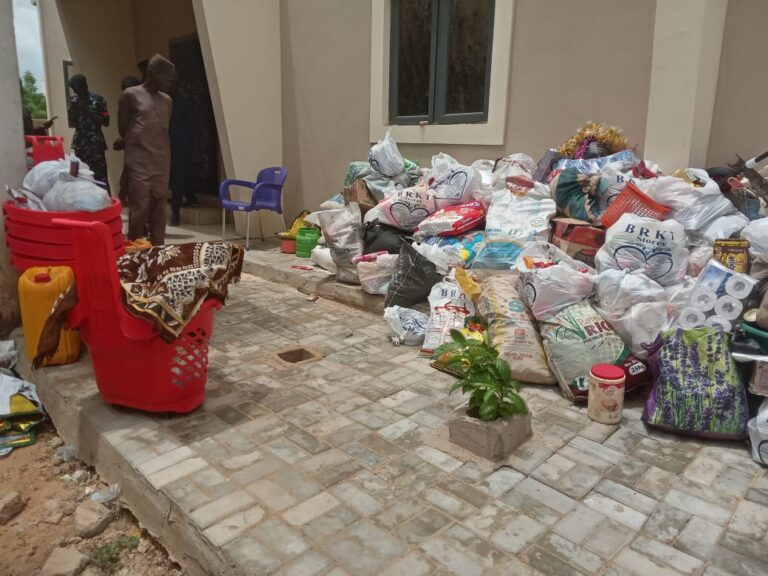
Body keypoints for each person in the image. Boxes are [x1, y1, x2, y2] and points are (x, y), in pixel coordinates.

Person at [116, 54, 175, 246]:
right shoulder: (130, 95)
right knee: (140, 210)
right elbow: (123, 128)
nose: (168, 84)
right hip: (139, 162)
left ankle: (158, 257)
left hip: (161, 163)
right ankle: (135, 255)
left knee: (159, 213)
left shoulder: (167, 100)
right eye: (165, 79)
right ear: (152, 73)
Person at [67, 74, 110, 188]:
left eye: (77, 88)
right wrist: (76, 110)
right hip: (80, 144)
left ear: (84, 85)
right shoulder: (73, 101)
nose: (75, 91)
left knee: (100, 176)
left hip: (95, 144)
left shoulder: (98, 99)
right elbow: (72, 123)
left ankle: (105, 202)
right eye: (73, 89)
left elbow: (106, 122)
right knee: (80, 176)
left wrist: (86, 110)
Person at [169, 76, 199, 226]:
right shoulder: (164, 103)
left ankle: (175, 213)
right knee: (178, 178)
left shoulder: (183, 104)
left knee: (178, 179)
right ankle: (191, 197)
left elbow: (193, 127)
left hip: (181, 147)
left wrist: (194, 149)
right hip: (167, 148)